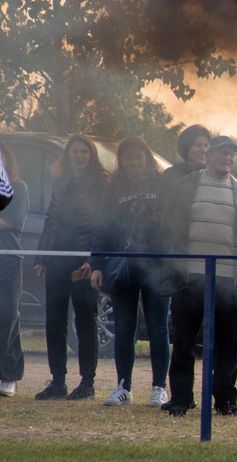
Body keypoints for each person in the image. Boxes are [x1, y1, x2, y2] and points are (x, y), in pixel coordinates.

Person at [158, 135, 237, 417]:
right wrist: (171, 267)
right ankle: (181, 398)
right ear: (209, 155)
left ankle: (225, 399)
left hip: (227, 279)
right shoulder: (185, 186)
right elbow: (170, 227)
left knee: (228, 344)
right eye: (223, 153)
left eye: (232, 154)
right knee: (184, 341)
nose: (228, 159)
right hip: (189, 276)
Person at [89, 137, 170, 408]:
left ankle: (159, 387)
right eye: (128, 158)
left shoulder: (162, 186)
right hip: (123, 268)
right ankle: (123, 386)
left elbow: (173, 226)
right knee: (124, 329)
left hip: (156, 266)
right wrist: (97, 264)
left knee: (159, 329)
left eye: (139, 157)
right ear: (121, 161)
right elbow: (102, 229)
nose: (134, 162)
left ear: (147, 159)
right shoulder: (112, 189)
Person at [34, 135, 109, 401]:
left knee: (85, 322)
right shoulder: (61, 181)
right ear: (68, 155)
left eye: (84, 152)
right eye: (75, 152)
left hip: (83, 262)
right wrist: (41, 257)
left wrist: (93, 260)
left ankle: (87, 382)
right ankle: (58, 382)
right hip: (56, 258)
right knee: (54, 322)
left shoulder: (101, 182)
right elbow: (51, 219)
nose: (79, 156)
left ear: (91, 155)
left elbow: (102, 224)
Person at [0, 144, 28, 397]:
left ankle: (9, 375)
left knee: (8, 315)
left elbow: (11, 221)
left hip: (8, 260)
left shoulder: (18, 188)